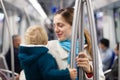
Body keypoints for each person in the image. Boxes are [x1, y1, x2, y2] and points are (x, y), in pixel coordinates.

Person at [47, 7, 105, 80]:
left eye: (60, 25)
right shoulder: (50, 47)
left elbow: (101, 78)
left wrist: (89, 71)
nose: (56, 30)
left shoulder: (91, 47)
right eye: (54, 25)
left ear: (74, 26)